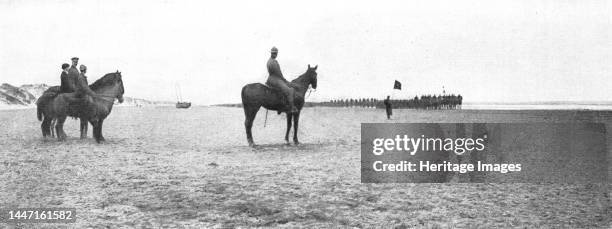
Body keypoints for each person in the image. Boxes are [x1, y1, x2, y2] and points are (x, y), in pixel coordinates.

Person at [266, 47, 298, 113]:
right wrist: (284, 80)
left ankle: (281, 106)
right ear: (273, 53)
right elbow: (278, 73)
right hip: (275, 79)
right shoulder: (273, 62)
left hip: (270, 79)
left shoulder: (269, 61)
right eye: (274, 53)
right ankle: (292, 108)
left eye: (275, 53)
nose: (275, 54)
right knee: (289, 90)